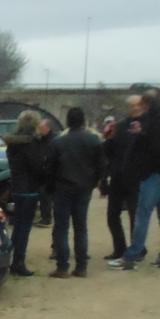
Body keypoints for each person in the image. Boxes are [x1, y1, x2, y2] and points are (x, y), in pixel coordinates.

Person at [108, 88, 160, 270]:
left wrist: (141, 135)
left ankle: (132, 256)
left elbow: (154, 146)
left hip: (153, 172)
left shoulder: (155, 120)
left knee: (143, 214)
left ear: (147, 104)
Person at [45, 107, 104, 278]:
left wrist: (50, 188)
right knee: (81, 227)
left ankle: (62, 266)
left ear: (68, 121)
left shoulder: (58, 142)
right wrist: (93, 182)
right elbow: (101, 165)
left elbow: (50, 168)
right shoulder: (93, 140)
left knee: (62, 227)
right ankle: (81, 266)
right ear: (83, 121)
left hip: (62, 187)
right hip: (84, 187)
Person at [2, 110, 46, 277]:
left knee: (18, 226)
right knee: (24, 227)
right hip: (30, 188)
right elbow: (37, 167)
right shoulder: (32, 144)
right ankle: (19, 261)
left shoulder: (12, 143)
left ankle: (12, 258)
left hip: (17, 186)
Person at [101, 96, 143, 259]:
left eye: (138, 105)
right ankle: (120, 248)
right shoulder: (120, 126)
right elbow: (109, 151)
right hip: (118, 176)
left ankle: (137, 248)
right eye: (132, 106)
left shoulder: (147, 126)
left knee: (135, 215)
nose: (135, 108)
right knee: (112, 215)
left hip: (136, 177)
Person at [35, 118, 55, 227]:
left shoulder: (52, 140)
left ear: (47, 128)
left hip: (48, 172)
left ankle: (46, 219)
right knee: (44, 196)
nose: (39, 130)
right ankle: (45, 217)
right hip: (42, 171)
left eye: (41, 128)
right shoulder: (42, 139)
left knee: (45, 196)